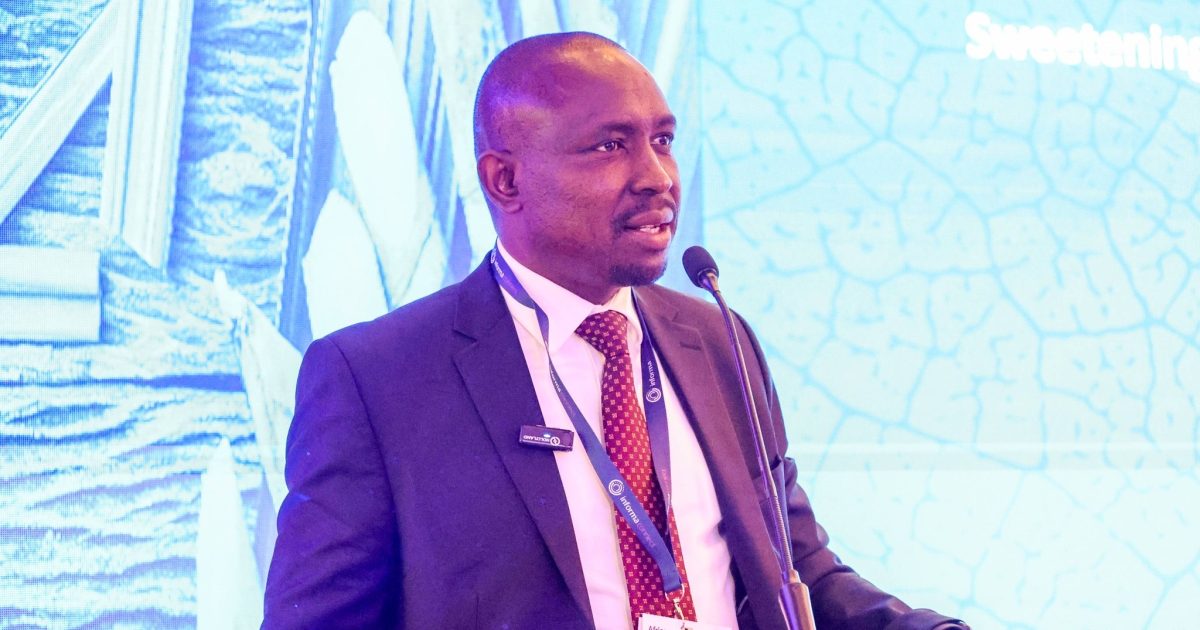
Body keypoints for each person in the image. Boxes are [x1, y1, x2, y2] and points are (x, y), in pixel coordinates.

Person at [263, 32, 969, 630]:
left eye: (663, 141)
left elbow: (797, 569)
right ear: (505, 181)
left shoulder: (716, 339)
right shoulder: (380, 378)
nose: (657, 176)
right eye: (610, 146)